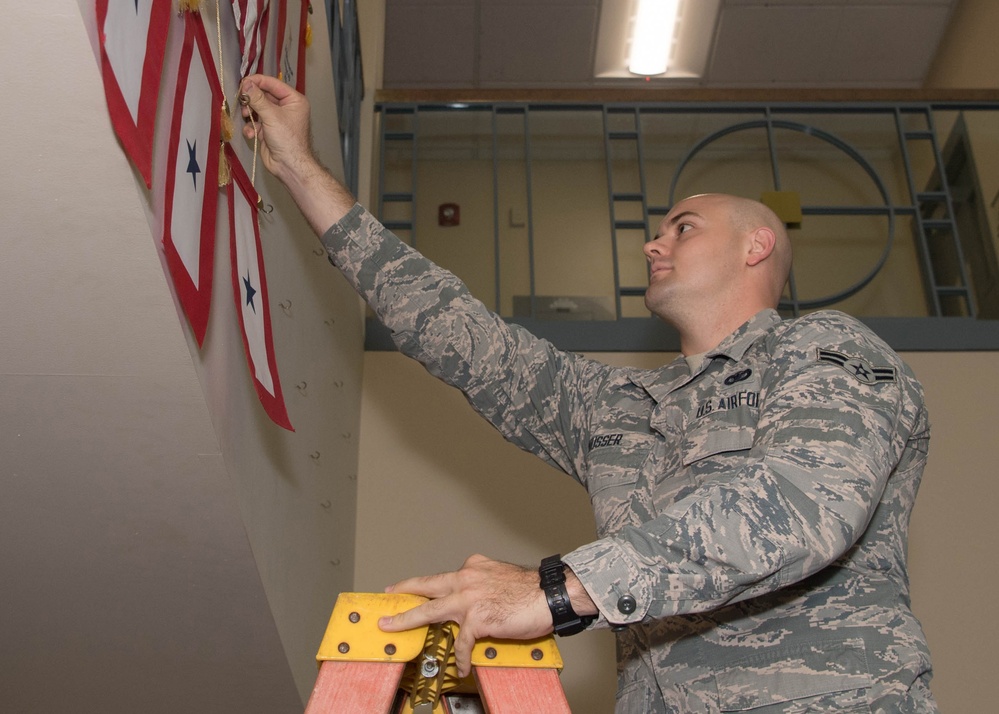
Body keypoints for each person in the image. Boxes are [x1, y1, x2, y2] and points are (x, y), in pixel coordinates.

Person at [239, 74, 937, 713]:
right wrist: (300, 167)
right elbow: (454, 331)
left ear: (755, 246)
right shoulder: (616, 405)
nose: (652, 244)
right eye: (658, 230)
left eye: (682, 228)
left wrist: (555, 591)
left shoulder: (825, 348)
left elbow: (803, 500)